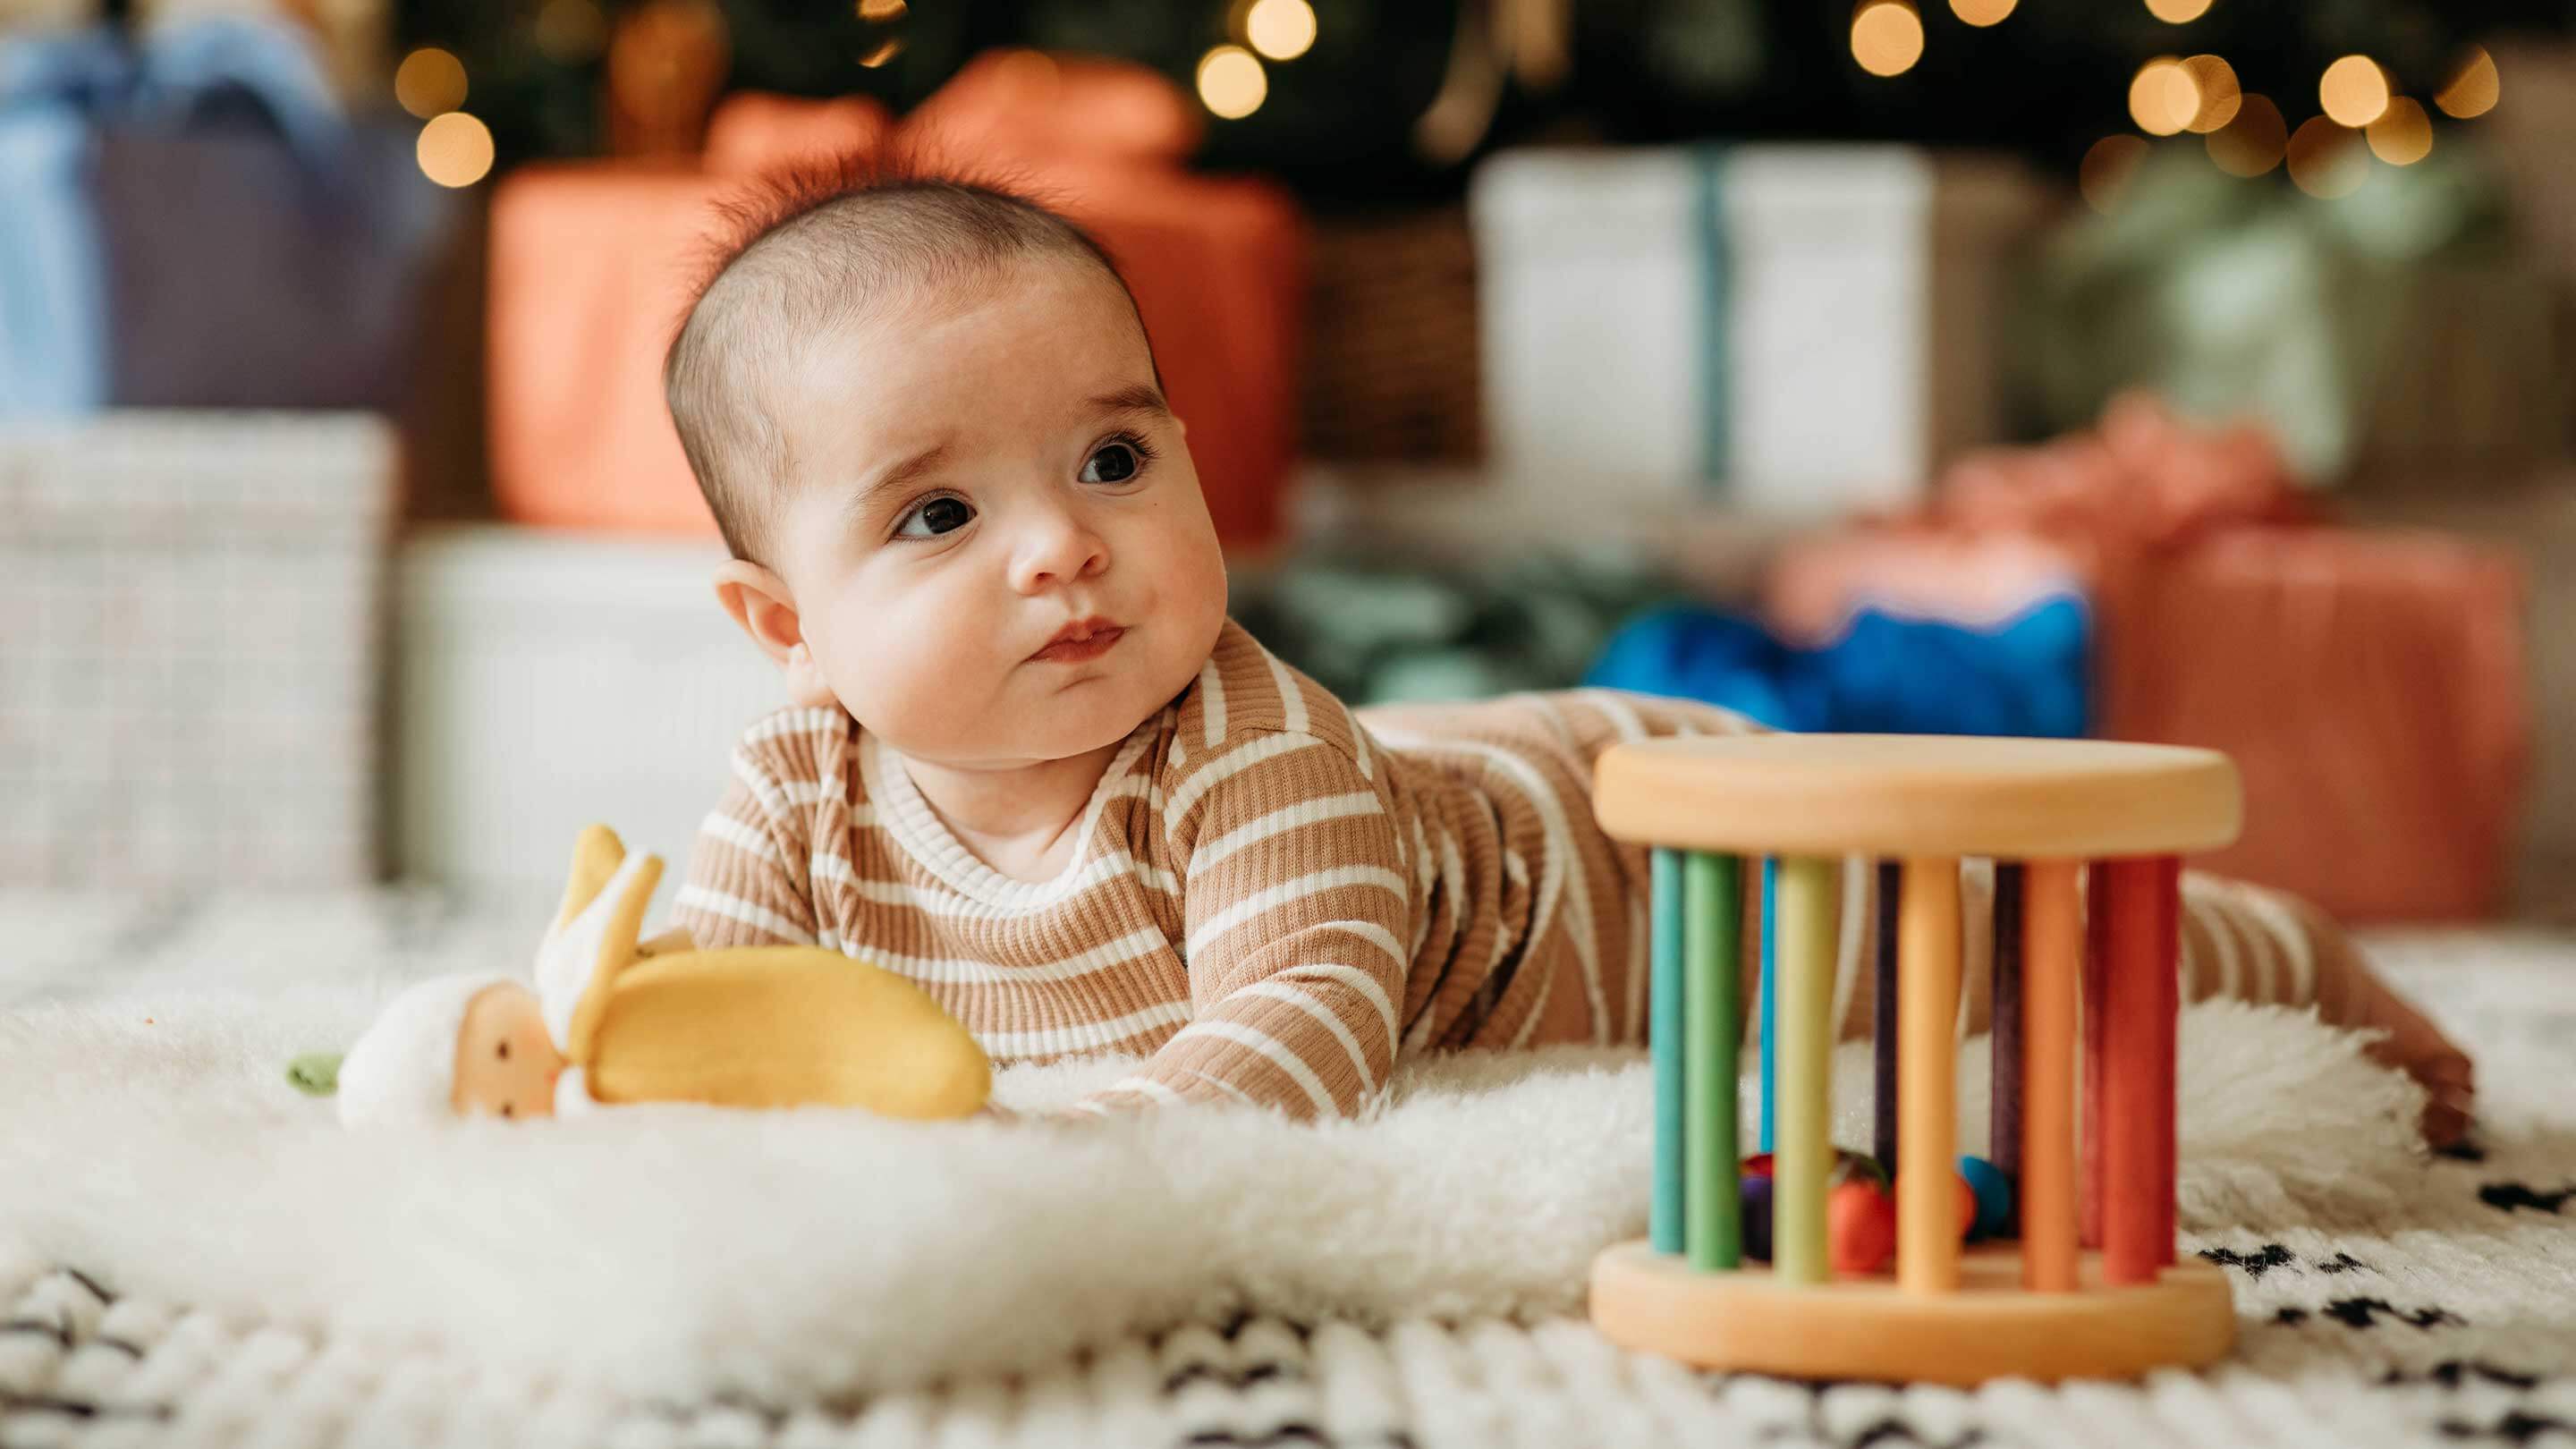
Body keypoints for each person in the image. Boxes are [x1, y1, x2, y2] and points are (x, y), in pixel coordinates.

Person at [657, 158, 2474, 1143]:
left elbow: (1297, 1043)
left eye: (1114, 460)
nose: (1064, 542)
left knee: (1983, 941)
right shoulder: (800, 785)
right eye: (936, 516)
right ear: (785, 633)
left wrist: (1046, 1168)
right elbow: (695, 1017)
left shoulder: (1239, 754)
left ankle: (2284, 946)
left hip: (1640, 864)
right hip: (1461, 760)